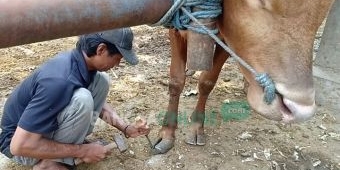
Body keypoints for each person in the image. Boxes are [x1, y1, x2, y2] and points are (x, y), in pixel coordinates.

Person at [0, 27, 150, 170]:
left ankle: (68, 147)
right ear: (101, 49)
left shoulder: (81, 63)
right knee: (82, 99)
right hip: (21, 147)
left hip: (34, 134)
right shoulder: (59, 81)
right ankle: (47, 163)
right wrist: (82, 151)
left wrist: (125, 127)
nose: (117, 64)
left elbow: (100, 104)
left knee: (101, 81)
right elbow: (19, 146)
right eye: (118, 58)